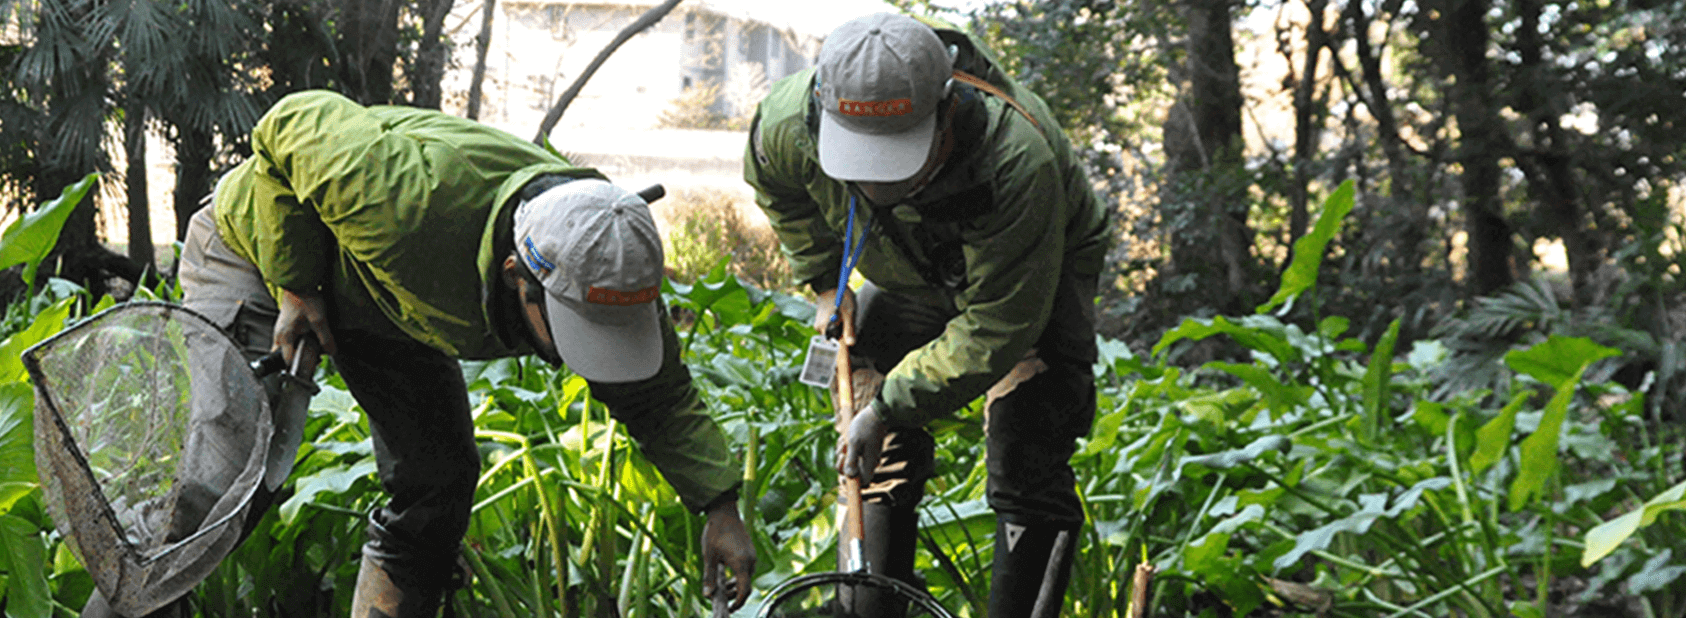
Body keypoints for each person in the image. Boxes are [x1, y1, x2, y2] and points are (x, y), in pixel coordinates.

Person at [168, 89, 756, 618]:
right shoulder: (409, 197)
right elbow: (286, 124)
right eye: (571, 330)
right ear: (514, 277)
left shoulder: (608, 262)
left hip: (387, 295)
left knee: (437, 479)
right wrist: (295, 286)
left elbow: (658, 396)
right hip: (257, 245)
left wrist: (720, 507)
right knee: (227, 471)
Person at [743, 12, 1110, 618]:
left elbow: (995, 325)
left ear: (947, 108)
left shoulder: (1018, 162)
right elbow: (780, 190)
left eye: (895, 156)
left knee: (1029, 440)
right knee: (867, 432)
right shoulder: (786, 123)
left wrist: (891, 404)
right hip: (908, 265)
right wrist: (823, 282)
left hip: (1029, 270)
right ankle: (870, 606)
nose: (876, 179)